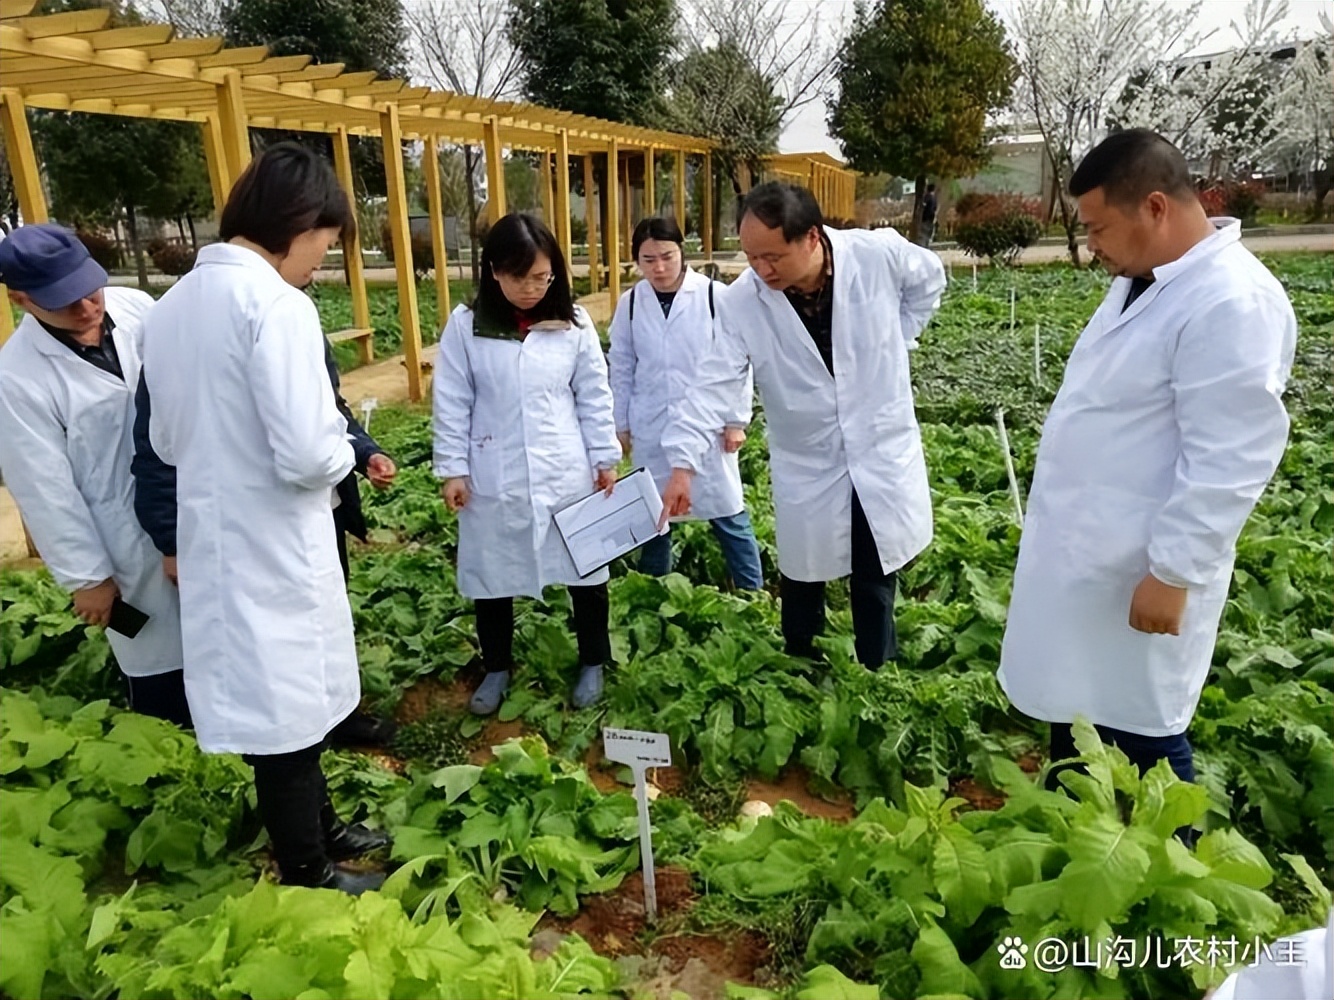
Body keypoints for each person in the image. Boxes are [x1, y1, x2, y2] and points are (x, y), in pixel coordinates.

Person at [997, 129, 1297, 790]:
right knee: (1078, 715)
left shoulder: (1230, 300)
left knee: (1143, 738)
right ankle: (1069, 842)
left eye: (1099, 227)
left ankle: (1168, 879)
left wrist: (1174, 569)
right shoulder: (1149, 277)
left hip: (1142, 564)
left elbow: (1231, 457)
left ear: (1155, 208)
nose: (1092, 245)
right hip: (1091, 554)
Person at [141, 143, 388, 894]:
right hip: (276, 537)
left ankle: (324, 827)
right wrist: (345, 456)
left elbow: (162, 438)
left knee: (282, 697)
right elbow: (310, 455)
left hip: (217, 532)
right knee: (286, 713)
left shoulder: (173, 305)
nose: (322, 260)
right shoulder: (276, 305)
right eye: (324, 243)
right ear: (297, 222)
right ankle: (309, 867)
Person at [660, 182, 945, 670]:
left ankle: (877, 667)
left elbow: (931, 280)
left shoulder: (877, 255)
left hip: (879, 443)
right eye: (751, 258)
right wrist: (683, 464)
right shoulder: (742, 301)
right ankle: (801, 664)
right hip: (807, 456)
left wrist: (898, 337)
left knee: (875, 566)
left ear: (812, 237)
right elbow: (712, 382)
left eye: (772, 257)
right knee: (802, 571)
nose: (761, 270)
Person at [131, 327, 400, 749]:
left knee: (326, 617)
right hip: (259, 523)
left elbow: (330, 411)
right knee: (271, 634)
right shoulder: (188, 337)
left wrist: (364, 453)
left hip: (317, 514)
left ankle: (337, 715)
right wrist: (170, 540)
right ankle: (286, 738)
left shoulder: (299, 321)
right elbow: (159, 455)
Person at [0, 224, 190, 727]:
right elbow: (44, 488)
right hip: (117, 540)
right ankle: (174, 752)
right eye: (65, 302)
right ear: (21, 298)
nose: (87, 308)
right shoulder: (16, 376)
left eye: (89, 290)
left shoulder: (137, 309)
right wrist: (88, 578)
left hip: (180, 506)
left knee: (220, 639)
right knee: (153, 658)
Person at [434, 213, 621, 715]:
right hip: (495, 472)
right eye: (521, 278)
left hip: (566, 468)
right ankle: (496, 666)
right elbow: (452, 400)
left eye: (543, 277)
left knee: (586, 569)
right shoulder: (467, 326)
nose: (532, 289)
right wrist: (453, 468)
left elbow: (593, 395)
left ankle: (592, 660)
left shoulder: (573, 324)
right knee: (492, 575)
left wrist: (604, 457)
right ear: (494, 271)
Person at [609, 216, 763, 590]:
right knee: (655, 515)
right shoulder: (630, 304)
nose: (659, 268)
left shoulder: (714, 296)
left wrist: (736, 420)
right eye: (648, 260)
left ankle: (752, 592)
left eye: (667, 256)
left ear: (683, 252)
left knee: (728, 511)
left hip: (708, 425)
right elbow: (622, 365)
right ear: (636, 261)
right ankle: (649, 593)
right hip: (652, 423)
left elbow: (739, 361)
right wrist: (621, 424)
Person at [919, 183, 938, 247]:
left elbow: (923, 206)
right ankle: (927, 246)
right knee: (929, 235)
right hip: (931, 219)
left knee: (923, 234)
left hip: (925, 218)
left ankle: (924, 247)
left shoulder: (926, 197)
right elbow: (935, 209)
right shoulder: (934, 199)